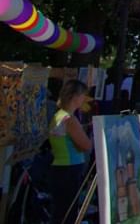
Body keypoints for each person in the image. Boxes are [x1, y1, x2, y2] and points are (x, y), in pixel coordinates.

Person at [49, 80, 93, 224]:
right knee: (68, 213)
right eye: (83, 95)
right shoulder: (70, 119)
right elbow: (86, 145)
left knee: (60, 211)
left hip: (61, 167)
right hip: (69, 169)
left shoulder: (58, 115)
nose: (84, 99)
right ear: (75, 96)